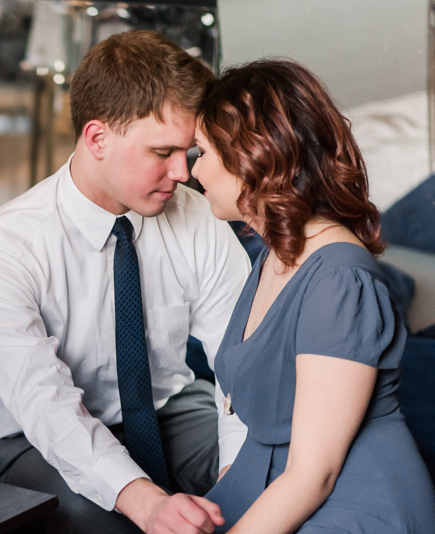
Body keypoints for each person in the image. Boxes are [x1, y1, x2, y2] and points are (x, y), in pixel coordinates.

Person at [0, 30, 251, 534]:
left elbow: (242, 363)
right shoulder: (0, 251)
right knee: (109, 526)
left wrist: (238, 480)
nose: (184, 173)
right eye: (163, 152)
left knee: (269, 476)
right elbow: (47, 409)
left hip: (173, 414)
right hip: (39, 441)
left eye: (191, 151)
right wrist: (149, 504)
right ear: (97, 138)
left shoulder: (199, 218)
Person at [192, 59, 435, 533]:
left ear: (252, 157)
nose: (195, 170)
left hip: (353, 506)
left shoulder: (340, 281)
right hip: (273, 485)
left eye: (200, 152)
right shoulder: (274, 254)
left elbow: (315, 474)